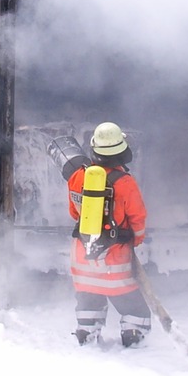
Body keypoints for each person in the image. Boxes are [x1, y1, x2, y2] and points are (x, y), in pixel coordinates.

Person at [66, 122, 151, 347]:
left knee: (88, 300)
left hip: (83, 256)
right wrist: (134, 240)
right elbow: (138, 219)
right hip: (114, 260)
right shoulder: (125, 183)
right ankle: (134, 343)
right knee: (135, 310)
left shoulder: (76, 177)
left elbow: (74, 212)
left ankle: (87, 336)